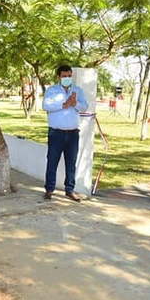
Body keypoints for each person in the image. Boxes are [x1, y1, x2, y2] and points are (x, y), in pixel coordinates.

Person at [42, 65, 88, 202]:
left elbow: (84, 106)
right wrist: (64, 104)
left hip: (73, 133)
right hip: (56, 133)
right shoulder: (52, 91)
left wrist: (74, 104)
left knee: (71, 163)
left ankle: (70, 190)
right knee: (52, 161)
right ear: (58, 77)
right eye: (64, 76)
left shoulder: (77, 90)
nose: (67, 78)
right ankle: (49, 190)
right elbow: (46, 106)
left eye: (69, 76)